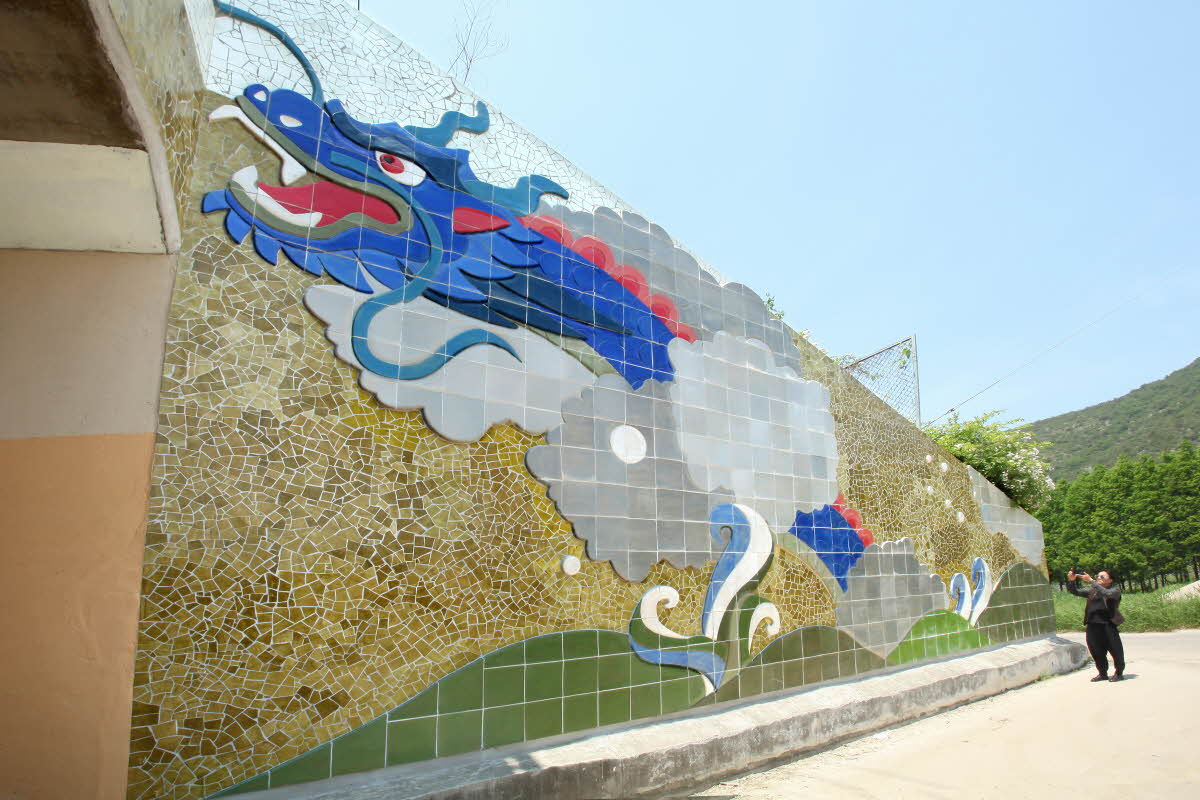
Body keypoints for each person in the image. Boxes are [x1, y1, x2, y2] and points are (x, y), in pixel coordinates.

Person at [1067, 569, 1125, 682]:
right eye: (1098, 576)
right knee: (1096, 650)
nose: (1099, 578)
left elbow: (1107, 593)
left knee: (1115, 649)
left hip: (1108, 625)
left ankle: (1119, 673)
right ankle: (1102, 673)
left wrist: (1091, 581)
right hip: (1092, 625)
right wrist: (1071, 581)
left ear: (1110, 580)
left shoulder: (1115, 590)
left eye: (1102, 577)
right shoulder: (1093, 591)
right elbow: (1075, 591)